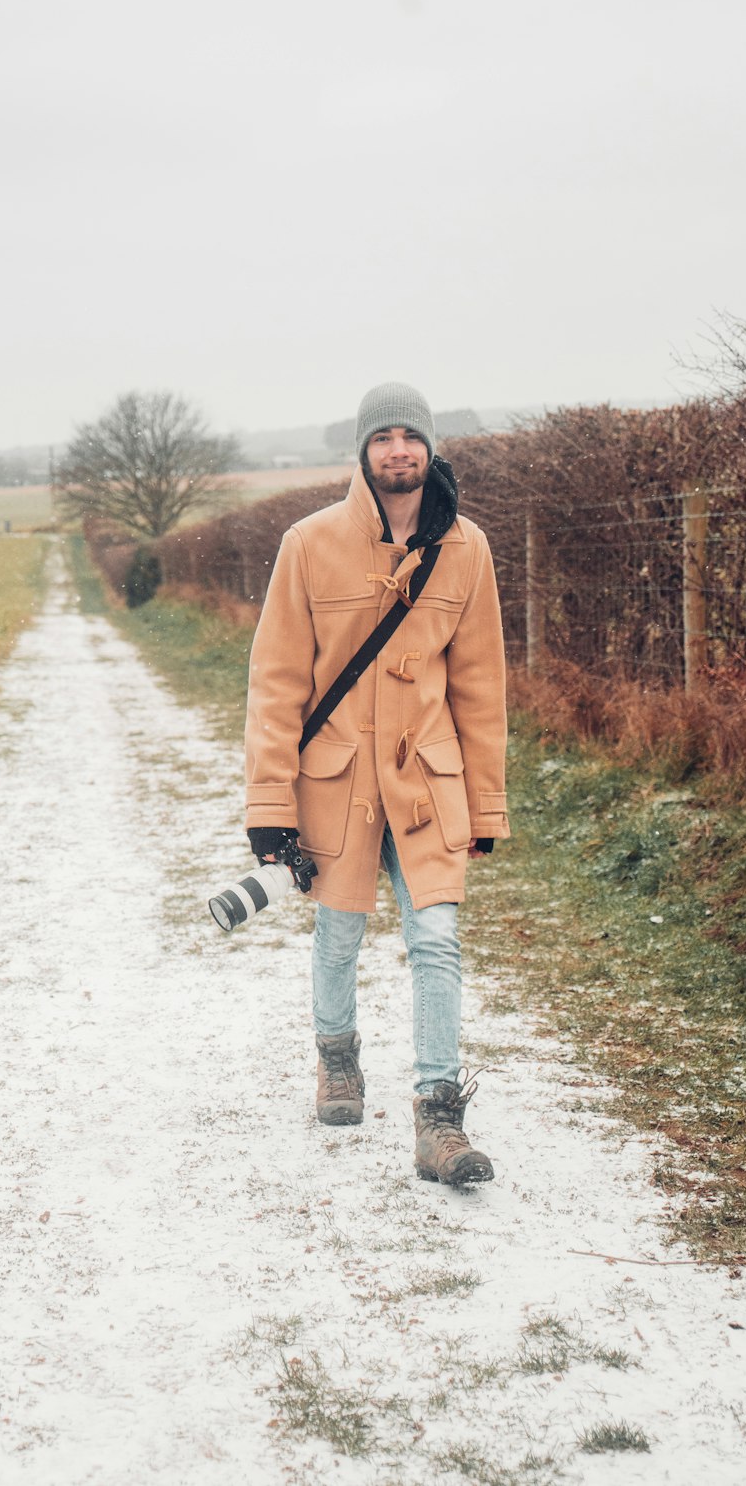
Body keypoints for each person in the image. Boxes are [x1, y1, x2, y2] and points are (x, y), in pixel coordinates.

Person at [244, 382, 510, 1186]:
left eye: (411, 436)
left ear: (430, 448)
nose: (399, 449)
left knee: (437, 939)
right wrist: (269, 808)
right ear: (363, 451)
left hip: (428, 782)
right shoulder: (308, 542)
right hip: (336, 779)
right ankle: (338, 1061)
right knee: (340, 931)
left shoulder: (468, 548)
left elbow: (480, 687)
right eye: (383, 436)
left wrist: (487, 799)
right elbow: (277, 681)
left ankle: (438, 1118)